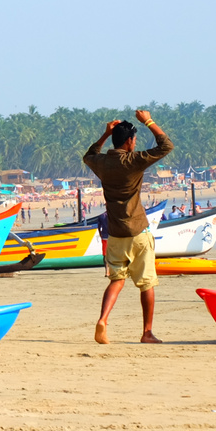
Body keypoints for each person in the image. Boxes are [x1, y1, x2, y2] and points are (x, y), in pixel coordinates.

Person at [84, 110, 174, 344]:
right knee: (147, 283)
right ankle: (147, 333)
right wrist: (149, 121)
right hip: (138, 231)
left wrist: (105, 134)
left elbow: (89, 155)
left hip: (115, 233)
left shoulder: (102, 162)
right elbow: (166, 146)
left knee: (117, 280)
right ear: (129, 142)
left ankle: (103, 319)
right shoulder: (133, 161)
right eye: (134, 139)